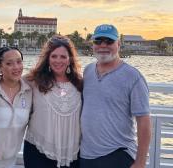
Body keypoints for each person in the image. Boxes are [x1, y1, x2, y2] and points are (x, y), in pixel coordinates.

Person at [80, 24, 151, 168]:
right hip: (86, 155)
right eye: (98, 41)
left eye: (109, 41)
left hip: (117, 154)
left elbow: (144, 121)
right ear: (93, 45)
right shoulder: (87, 71)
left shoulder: (133, 77)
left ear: (118, 44)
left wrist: (140, 162)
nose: (103, 45)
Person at [23, 35, 83, 168]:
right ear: (47, 59)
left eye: (63, 56)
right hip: (37, 151)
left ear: (70, 59)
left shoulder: (81, 83)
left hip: (73, 153)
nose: (58, 60)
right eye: (54, 56)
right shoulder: (33, 80)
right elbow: (9, 82)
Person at [0, 47, 32, 168]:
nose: (16, 67)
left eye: (19, 62)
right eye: (9, 63)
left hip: (11, 162)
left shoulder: (29, 91)